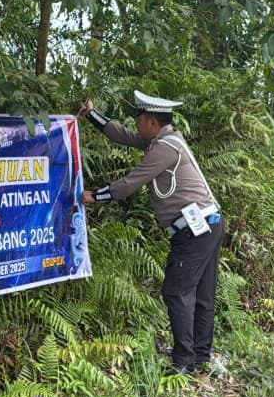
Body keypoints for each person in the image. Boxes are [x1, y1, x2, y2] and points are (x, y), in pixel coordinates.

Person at [78, 90, 226, 378]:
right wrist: (92, 114)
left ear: (151, 122)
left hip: (195, 229)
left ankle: (184, 363)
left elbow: (129, 184)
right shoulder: (167, 140)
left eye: (139, 120)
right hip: (209, 223)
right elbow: (122, 135)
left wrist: (94, 196)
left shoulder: (164, 148)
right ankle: (200, 356)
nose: (136, 125)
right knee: (202, 294)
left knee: (177, 291)